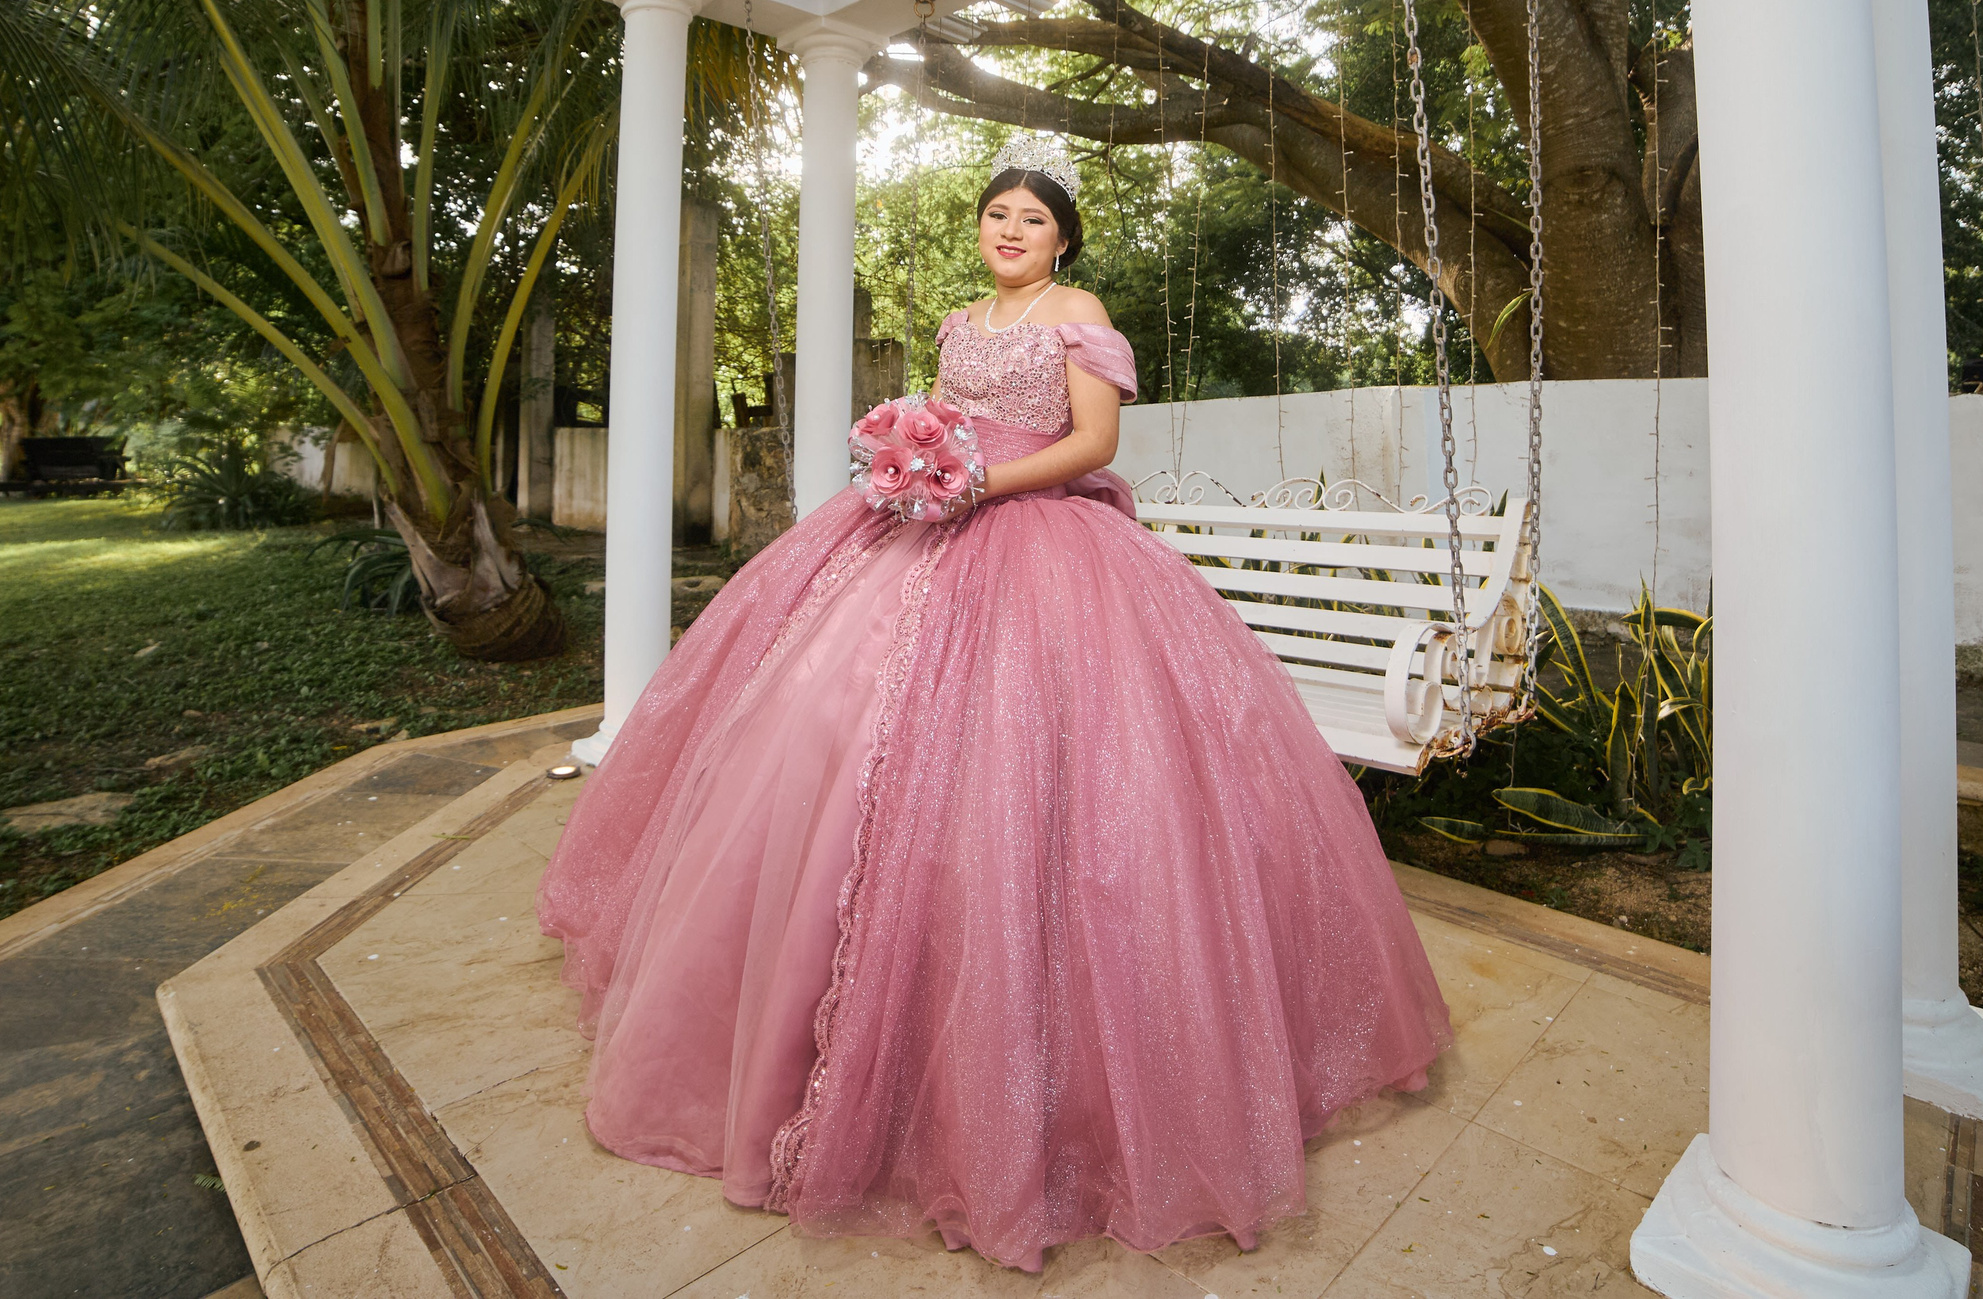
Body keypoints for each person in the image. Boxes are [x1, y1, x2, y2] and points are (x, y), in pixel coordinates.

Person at [536, 132, 1452, 1273]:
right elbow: (940, 410)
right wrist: (906, 461)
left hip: (1041, 541)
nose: (1008, 232)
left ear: (1061, 236)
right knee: (824, 722)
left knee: (1037, 764)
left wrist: (970, 479)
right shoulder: (962, 323)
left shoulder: (1081, 313)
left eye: (1029, 219)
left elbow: (1093, 441)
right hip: (911, 535)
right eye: (994, 216)